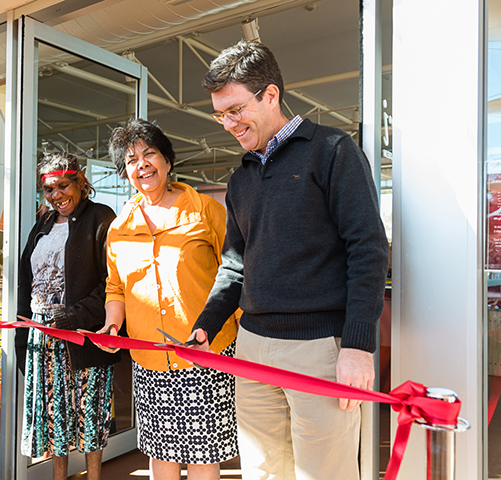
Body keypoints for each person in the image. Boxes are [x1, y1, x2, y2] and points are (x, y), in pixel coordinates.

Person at [187, 41, 390, 480]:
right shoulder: (239, 179)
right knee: (261, 472)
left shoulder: (333, 150)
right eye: (220, 114)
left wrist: (357, 345)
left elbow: (368, 247)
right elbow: (236, 264)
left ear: (271, 95)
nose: (228, 123)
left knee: (325, 473)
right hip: (253, 346)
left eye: (236, 109)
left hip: (319, 348)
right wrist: (207, 321)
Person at [99, 118, 239, 480]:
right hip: (149, 357)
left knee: (203, 454)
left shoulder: (206, 210)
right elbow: (116, 288)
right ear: (125, 172)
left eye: (150, 154)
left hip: (205, 353)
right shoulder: (119, 227)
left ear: (167, 161)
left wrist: (242, 329)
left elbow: (236, 272)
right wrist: (113, 325)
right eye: (131, 160)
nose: (142, 164)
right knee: (161, 454)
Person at [14, 151, 119, 480]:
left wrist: (75, 316)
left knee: (89, 413)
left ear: (80, 181)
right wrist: (23, 326)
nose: (57, 194)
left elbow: (113, 281)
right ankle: (58, 477)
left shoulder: (101, 217)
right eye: (49, 189)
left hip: (81, 333)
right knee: (53, 414)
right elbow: (25, 279)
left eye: (63, 185)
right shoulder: (42, 223)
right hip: (41, 334)